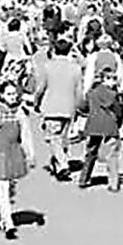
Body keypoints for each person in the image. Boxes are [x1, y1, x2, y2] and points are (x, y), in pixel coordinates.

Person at [0, 79, 37, 240]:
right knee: (3, 187)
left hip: (14, 152)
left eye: (14, 94)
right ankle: (9, 223)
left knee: (7, 187)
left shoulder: (20, 112)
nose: (12, 97)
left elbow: (26, 134)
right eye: (9, 94)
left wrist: (30, 153)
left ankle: (2, 217)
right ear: (2, 95)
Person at [33, 36, 83, 180]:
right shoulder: (76, 68)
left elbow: (41, 88)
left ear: (54, 50)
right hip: (69, 106)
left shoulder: (48, 66)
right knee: (63, 138)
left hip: (51, 106)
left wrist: (36, 102)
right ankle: (61, 161)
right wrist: (79, 106)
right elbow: (79, 91)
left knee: (53, 138)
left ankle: (62, 165)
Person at [80, 66, 123, 192]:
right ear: (107, 79)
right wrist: (120, 122)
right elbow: (119, 111)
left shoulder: (92, 93)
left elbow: (83, 107)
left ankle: (84, 178)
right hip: (109, 125)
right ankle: (113, 183)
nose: (115, 82)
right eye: (113, 79)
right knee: (112, 154)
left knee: (90, 153)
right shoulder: (112, 95)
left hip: (93, 124)